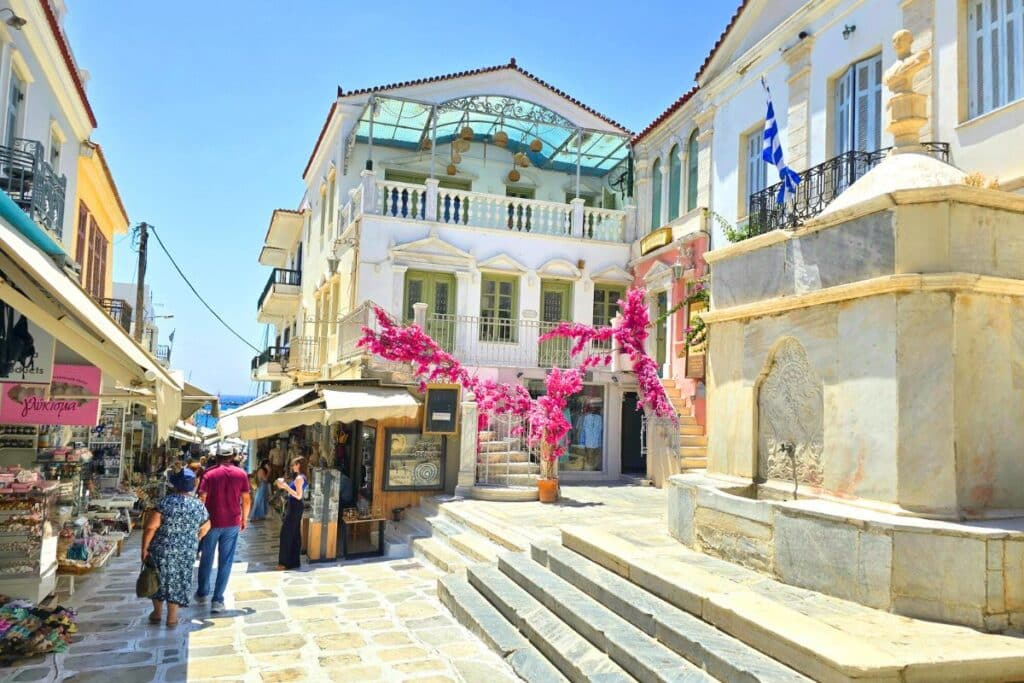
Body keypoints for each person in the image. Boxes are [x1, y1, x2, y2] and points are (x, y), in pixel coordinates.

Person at [140, 466, 210, 626]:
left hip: (161, 549)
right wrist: (195, 538)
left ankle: (157, 613)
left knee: (156, 578)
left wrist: (144, 548)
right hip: (186, 551)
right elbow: (206, 526)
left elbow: (151, 527)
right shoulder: (198, 505)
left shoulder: (164, 503)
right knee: (178, 580)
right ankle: (172, 617)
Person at [197, 445, 251, 612]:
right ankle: (218, 599)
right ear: (232, 456)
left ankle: (203, 590)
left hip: (211, 522)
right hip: (232, 522)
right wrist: (244, 518)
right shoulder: (241, 474)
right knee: (226, 561)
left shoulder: (209, 473)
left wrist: (200, 520)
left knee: (206, 557)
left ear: (217, 456)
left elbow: (201, 498)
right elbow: (246, 499)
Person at [275, 456, 307, 570]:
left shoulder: (299, 478)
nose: (292, 466)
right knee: (294, 533)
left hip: (295, 506)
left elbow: (298, 495)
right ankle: (294, 561)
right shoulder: (301, 477)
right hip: (296, 506)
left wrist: (286, 486)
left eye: (294, 464)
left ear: (299, 465)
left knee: (287, 533)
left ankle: (284, 563)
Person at [579, 402, 604, 470]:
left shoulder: (599, 418)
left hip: (597, 441)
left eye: (594, 408)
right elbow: (583, 430)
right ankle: (589, 467)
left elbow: (601, 429)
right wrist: (582, 442)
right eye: (592, 408)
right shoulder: (586, 417)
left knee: (596, 456)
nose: (593, 409)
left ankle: (594, 467)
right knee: (589, 456)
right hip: (588, 440)